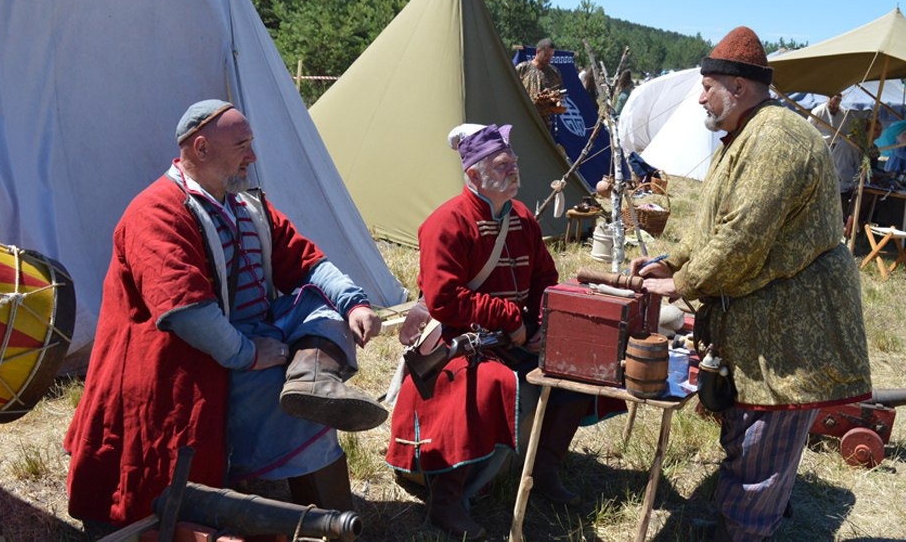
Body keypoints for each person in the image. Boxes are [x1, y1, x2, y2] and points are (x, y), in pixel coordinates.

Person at [64, 100, 388, 528]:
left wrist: (354, 302)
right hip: (185, 358)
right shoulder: (156, 212)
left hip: (253, 334)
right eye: (242, 145)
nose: (252, 156)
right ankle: (328, 525)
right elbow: (188, 314)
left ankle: (312, 381)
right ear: (201, 149)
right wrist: (249, 354)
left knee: (324, 310)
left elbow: (306, 260)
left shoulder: (243, 204)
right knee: (293, 410)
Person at [631, 28, 872, 541]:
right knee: (749, 431)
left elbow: (741, 240)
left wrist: (681, 283)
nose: (700, 96)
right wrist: (670, 261)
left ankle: (744, 529)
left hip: (791, 329)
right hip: (764, 319)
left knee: (765, 436)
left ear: (738, 88)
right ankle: (742, 515)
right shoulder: (742, 136)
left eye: (708, 85)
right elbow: (715, 227)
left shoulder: (776, 139)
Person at [386, 123, 592, 540]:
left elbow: (544, 279)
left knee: (579, 376)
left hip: (514, 336)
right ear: (475, 176)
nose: (514, 170)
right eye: (503, 165)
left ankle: (543, 471)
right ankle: (446, 500)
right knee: (487, 384)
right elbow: (444, 300)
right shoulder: (445, 223)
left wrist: (534, 326)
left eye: (513, 163)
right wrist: (509, 319)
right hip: (460, 340)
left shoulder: (523, 219)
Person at [808, 92, 862, 192]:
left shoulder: (842, 113)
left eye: (838, 102)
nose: (834, 105)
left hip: (837, 146)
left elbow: (845, 130)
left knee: (835, 171)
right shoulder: (818, 111)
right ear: (828, 99)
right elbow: (809, 129)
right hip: (822, 145)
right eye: (833, 102)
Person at [515, 37, 564, 122]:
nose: (548, 58)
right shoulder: (522, 68)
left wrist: (556, 103)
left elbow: (559, 94)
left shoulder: (554, 73)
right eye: (546, 55)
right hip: (523, 118)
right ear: (538, 51)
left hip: (544, 122)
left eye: (551, 56)